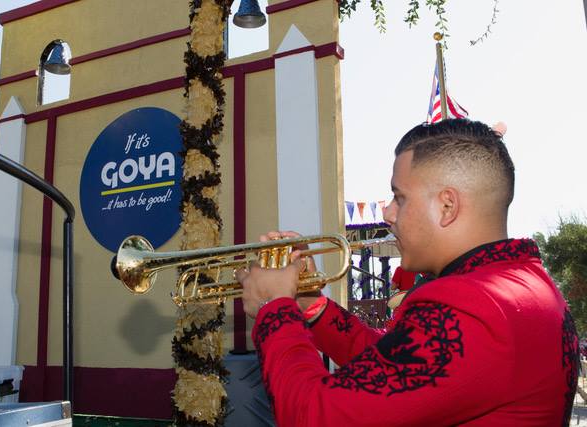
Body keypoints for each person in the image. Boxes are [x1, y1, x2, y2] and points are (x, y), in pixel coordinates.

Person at [235, 119, 579, 426]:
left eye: (399, 197)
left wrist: (273, 309)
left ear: (447, 206)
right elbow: (390, 363)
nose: (387, 212)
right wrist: (311, 303)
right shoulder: (523, 281)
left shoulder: (471, 305)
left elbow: (313, 415)